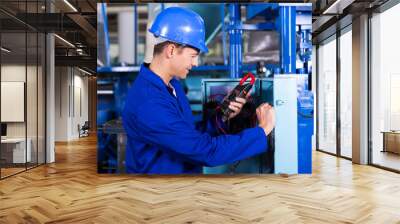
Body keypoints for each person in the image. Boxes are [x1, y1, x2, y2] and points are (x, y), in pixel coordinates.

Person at [122, 7, 275, 174]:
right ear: (171, 50)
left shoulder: (171, 85)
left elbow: (187, 134)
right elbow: (204, 151)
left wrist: (222, 117)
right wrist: (263, 130)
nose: (195, 63)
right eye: (193, 55)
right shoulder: (149, 102)